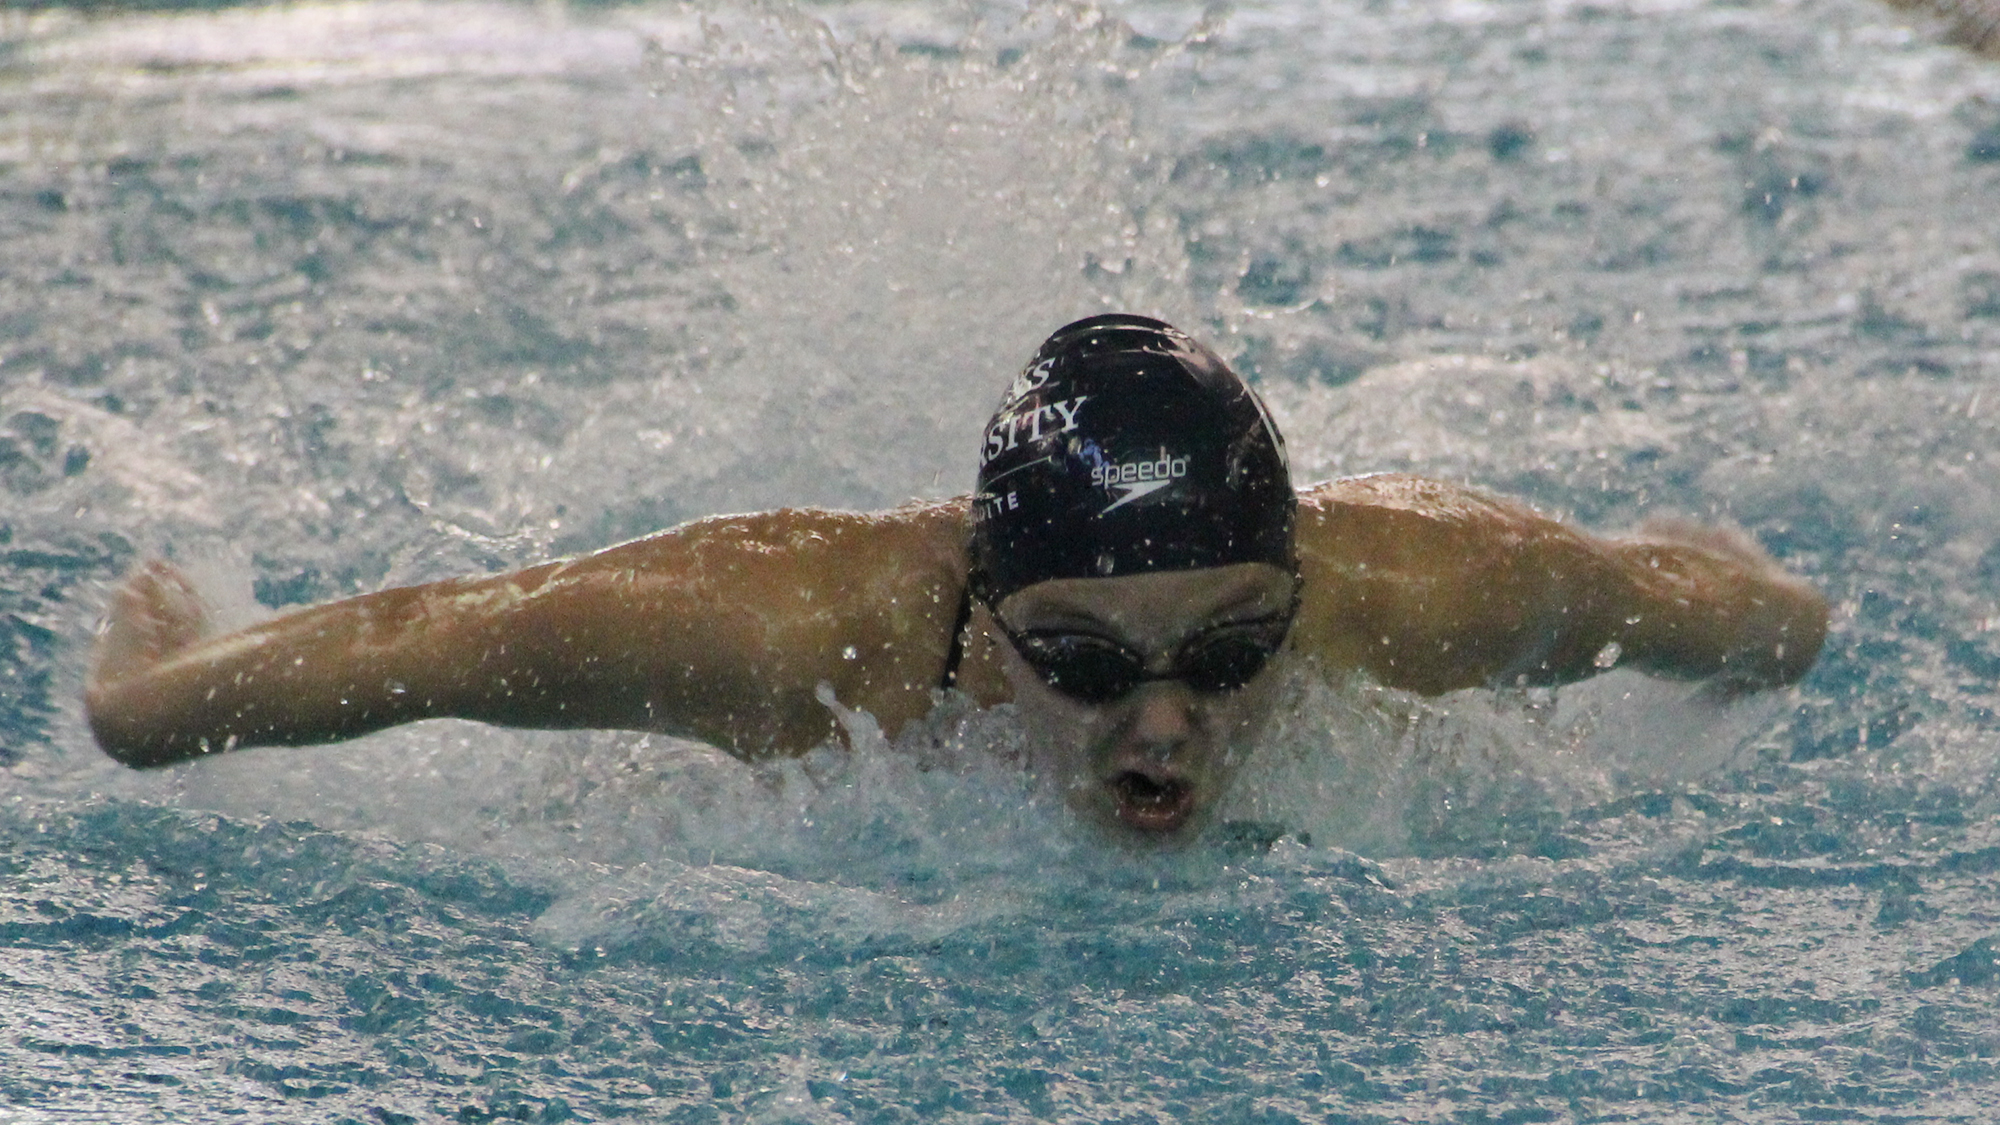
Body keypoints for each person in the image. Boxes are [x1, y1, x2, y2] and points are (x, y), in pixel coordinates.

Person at [85, 314, 1828, 840]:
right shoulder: (789, 638)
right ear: (986, 626)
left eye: (1233, 649)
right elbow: (445, 639)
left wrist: (1772, 616)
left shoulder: (1411, 593)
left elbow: (1704, 608)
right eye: (1080, 660)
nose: (1165, 718)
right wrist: (157, 698)